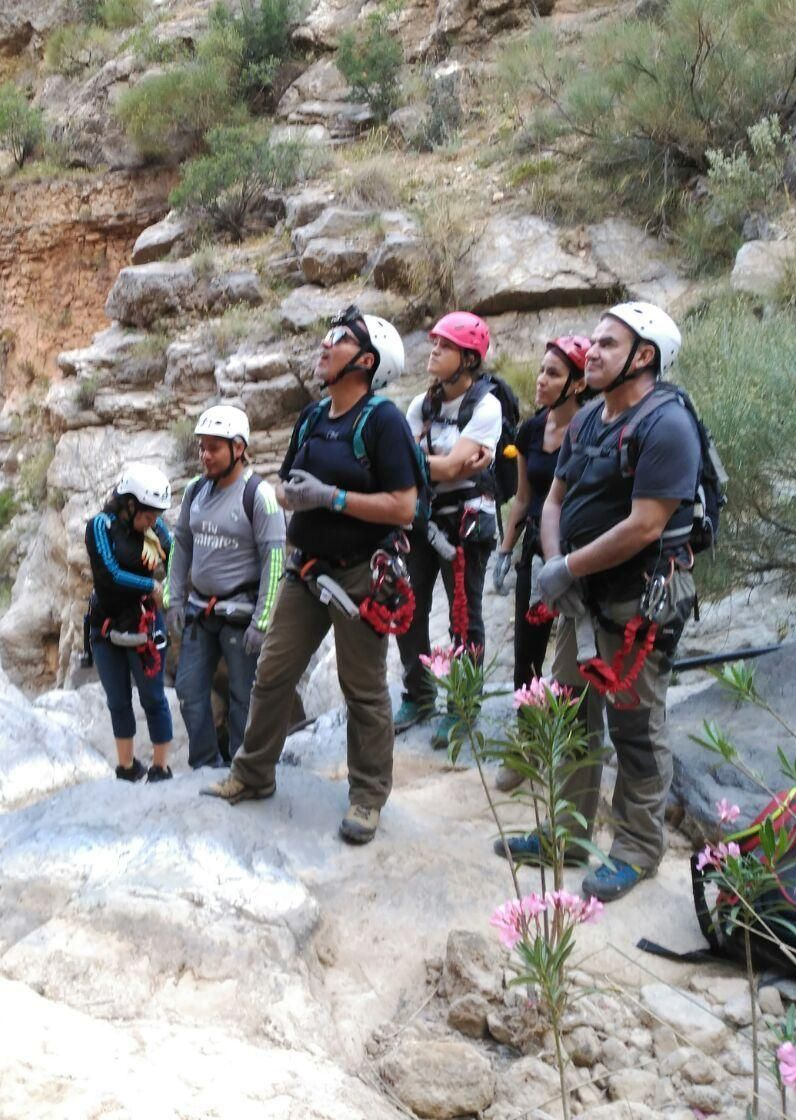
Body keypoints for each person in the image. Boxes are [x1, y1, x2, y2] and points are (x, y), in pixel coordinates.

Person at [496, 302, 701, 903]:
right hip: (585, 596)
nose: (592, 351)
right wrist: (560, 567)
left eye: (608, 344)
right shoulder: (589, 421)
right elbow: (554, 499)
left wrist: (565, 568)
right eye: (593, 341)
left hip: (639, 603)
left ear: (644, 357)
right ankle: (567, 831)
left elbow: (644, 526)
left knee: (636, 729)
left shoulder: (667, 425)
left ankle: (637, 849)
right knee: (570, 713)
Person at [202, 309, 420, 847]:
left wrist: (333, 498)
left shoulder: (383, 421)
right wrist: (293, 496)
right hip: (307, 571)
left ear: (366, 362)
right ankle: (254, 772)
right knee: (272, 674)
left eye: (339, 339)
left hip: (357, 577)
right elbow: (286, 486)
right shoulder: (313, 416)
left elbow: (404, 507)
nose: (324, 345)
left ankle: (367, 797)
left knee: (362, 689)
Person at [395, 311, 501, 748]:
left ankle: (462, 705)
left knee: (464, 615)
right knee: (408, 608)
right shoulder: (422, 405)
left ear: (469, 359)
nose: (433, 350)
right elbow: (422, 465)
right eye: (434, 342)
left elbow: (453, 466)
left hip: (467, 523)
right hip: (425, 518)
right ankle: (418, 695)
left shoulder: (486, 406)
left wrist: (431, 463)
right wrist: (441, 465)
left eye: (445, 346)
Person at [163, 405, 286, 769]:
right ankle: (205, 763)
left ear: (237, 448)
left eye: (213, 448)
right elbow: (181, 544)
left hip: (241, 613)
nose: (204, 455)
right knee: (188, 689)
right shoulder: (194, 491)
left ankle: (241, 766)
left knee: (242, 696)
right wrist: (173, 599)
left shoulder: (259, 496)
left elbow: (274, 562)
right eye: (201, 447)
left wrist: (262, 621)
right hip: (200, 611)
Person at [492, 335, 593, 691]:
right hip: (535, 548)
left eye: (552, 373)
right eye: (540, 371)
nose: (540, 379)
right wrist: (505, 549)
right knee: (527, 648)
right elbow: (522, 497)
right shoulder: (531, 430)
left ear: (578, 383)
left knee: (577, 643)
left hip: (578, 549)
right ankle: (529, 730)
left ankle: (575, 729)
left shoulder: (593, 431)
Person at [85, 464, 176, 783]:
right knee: (118, 699)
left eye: (156, 516)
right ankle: (126, 767)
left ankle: (161, 767)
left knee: (153, 697)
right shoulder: (100, 526)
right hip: (106, 625)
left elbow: (176, 553)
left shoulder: (155, 528)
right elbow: (108, 574)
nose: (154, 522)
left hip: (144, 624)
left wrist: (172, 590)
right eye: (149, 515)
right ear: (130, 504)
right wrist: (150, 586)